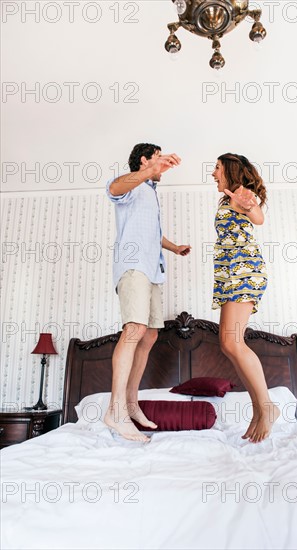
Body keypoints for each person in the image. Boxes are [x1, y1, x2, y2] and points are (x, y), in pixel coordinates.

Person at [105, 143, 191, 442]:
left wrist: (174, 246)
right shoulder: (133, 184)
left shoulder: (151, 194)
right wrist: (149, 172)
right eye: (156, 157)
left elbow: (152, 233)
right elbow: (114, 188)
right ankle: (115, 410)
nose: (162, 163)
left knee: (151, 333)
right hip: (133, 266)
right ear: (143, 160)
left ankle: (131, 404)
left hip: (152, 269)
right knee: (135, 329)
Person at [212, 153, 279, 443]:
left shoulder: (241, 193)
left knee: (232, 342)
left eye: (216, 168)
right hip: (231, 275)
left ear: (229, 170)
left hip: (244, 273)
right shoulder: (226, 198)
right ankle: (258, 408)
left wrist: (247, 205)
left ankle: (267, 407)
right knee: (228, 344)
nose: (213, 173)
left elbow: (258, 217)